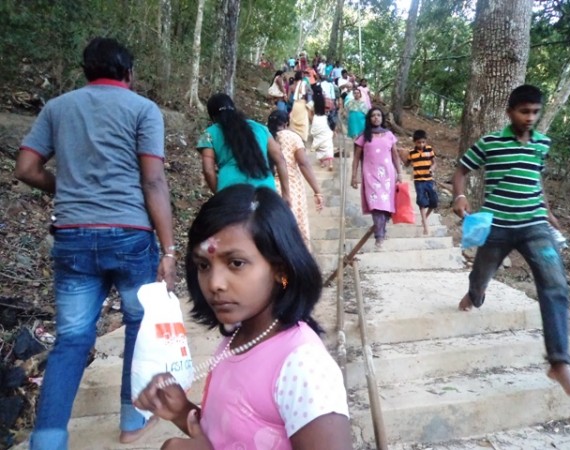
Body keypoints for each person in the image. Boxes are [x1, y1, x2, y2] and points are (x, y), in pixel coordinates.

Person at [14, 37, 177, 449]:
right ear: (129, 72)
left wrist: (66, 189)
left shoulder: (57, 108)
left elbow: (26, 168)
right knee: (139, 330)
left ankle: (47, 442)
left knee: (71, 340)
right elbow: (153, 180)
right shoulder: (143, 110)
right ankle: (130, 422)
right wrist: (170, 249)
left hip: (72, 237)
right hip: (131, 238)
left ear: (87, 70)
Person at [134, 185, 352, 450]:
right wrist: (182, 412)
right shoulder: (239, 335)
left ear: (279, 268)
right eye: (203, 265)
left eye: (236, 263)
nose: (214, 283)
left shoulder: (304, 367)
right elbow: (236, 432)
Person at [452, 84, 570, 399]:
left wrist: (548, 213)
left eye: (535, 112)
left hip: (534, 225)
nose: (530, 118)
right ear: (510, 112)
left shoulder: (542, 143)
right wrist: (459, 195)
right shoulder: (490, 143)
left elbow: (535, 179)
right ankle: (475, 294)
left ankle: (558, 361)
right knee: (482, 275)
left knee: (555, 283)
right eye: (524, 111)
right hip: (497, 226)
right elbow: (461, 170)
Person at [197, 93, 290, 204]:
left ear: (212, 115)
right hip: (266, 190)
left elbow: (208, 171)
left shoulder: (210, 133)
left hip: (230, 191)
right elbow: (280, 159)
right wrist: (286, 195)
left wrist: (219, 194)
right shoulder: (260, 128)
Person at [268, 109, 324, 248]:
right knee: (296, 227)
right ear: (286, 123)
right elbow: (303, 163)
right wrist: (317, 191)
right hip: (292, 188)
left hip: (269, 187)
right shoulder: (293, 137)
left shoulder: (265, 137)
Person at [351, 107, 403, 249]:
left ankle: (382, 228)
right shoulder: (364, 136)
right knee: (376, 206)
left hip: (387, 175)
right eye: (373, 115)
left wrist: (400, 173)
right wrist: (353, 176)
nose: (376, 118)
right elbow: (356, 158)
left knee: (385, 206)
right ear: (369, 119)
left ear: (382, 118)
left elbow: (395, 156)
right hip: (370, 175)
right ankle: (379, 236)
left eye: (378, 115)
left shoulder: (389, 135)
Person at [402, 129, 438, 235]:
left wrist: (432, 168)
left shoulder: (429, 150)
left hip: (429, 180)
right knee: (422, 202)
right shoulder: (412, 153)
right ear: (415, 142)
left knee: (434, 201)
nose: (421, 144)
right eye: (419, 142)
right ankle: (426, 226)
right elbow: (406, 164)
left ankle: (424, 219)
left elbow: (435, 163)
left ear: (426, 141)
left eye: (423, 142)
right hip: (418, 181)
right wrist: (401, 155)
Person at [310, 88, 335, 171]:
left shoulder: (312, 102)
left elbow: (310, 111)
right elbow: (330, 109)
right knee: (328, 143)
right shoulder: (326, 100)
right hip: (324, 119)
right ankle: (330, 163)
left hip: (316, 119)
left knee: (318, 142)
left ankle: (322, 163)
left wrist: (311, 119)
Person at [289, 71, 312, 143]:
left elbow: (289, 98)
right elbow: (309, 96)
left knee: (294, 124)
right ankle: (301, 143)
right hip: (302, 106)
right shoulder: (305, 84)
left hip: (295, 105)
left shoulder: (292, 85)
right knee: (303, 125)